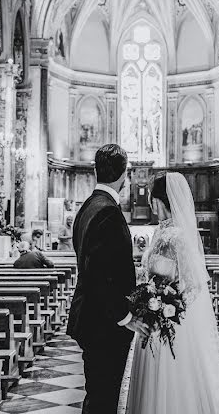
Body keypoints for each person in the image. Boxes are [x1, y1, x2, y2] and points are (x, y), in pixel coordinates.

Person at [125, 172, 219, 413]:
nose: (149, 200)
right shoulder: (160, 231)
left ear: (158, 199)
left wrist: (169, 306)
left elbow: (195, 283)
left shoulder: (178, 236)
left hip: (170, 324)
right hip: (152, 320)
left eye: (151, 195)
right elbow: (149, 275)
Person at [68, 144, 148, 414]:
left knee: (97, 396)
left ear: (95, 170)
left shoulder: (87, 207)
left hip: (92, 318)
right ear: (124, 175)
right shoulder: (108, 212)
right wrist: (124, 317)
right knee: (103, 399)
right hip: (103, 324)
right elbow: (101, 275)